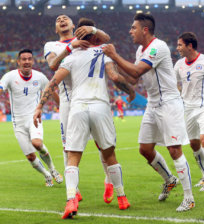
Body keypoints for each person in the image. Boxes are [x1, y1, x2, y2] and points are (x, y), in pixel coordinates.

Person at [34, 17, 135, 219]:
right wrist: (131, 91)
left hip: (77, 107)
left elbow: (52, 81)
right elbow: (115, 78)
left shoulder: (70, 57)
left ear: (77, 31)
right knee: (109, 154)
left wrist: (39, 106)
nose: (62, 20)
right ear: (94, 36)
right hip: (100, 107)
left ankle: (71, 199)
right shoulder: (103, 51)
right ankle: (121, 197)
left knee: (72, 156)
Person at [103, 13, 194, 212]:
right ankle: (169, 179)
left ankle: (189, 198)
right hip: (152, 104)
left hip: (169, 103)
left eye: (133, 28)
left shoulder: (158, 46)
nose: (130, 31)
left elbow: (136, 71)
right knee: (145, 149)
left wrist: (114, 56)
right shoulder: (140, 50)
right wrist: (114, 74)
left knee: (174, 149)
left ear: (145, 30)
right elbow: (135, 79)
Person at [44, 14, 113, 203]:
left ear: (74, 26)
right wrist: (69, 47)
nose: (62, 20)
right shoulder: (52, 46)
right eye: (58, 19)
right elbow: (52, 65)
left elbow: (107, 40)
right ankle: (73, 189)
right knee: (68, 147)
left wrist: (92, 31)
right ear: (56, 29)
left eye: (66, 18)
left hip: (94, 96)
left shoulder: (89, 41)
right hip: (69, 102)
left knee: (103, 145)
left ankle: (109, 180)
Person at [0, 49, 63, 187]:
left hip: (34, 117)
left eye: (29, 59)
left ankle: (52, 169)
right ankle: (47, 175)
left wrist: (62, 108)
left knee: (37, 143)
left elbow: (51, 91)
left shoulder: (40, 77)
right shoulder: (9, 76)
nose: (27, 61)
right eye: (24, 59)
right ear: (18, 62)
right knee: (30, 156)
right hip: (18, 122)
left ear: (33, 61)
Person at [174, 32, 204, 191]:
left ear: (190, 46)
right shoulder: (178, 64)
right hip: (188, 109)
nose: (178, 48)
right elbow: (174, 84)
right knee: (194, 144)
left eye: (180, 45)